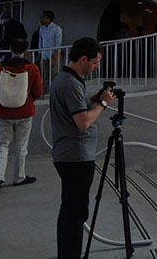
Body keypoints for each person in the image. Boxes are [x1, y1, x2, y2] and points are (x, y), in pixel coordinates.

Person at [50, 37, 116, 258]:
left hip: (68, 156)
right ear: (84, 58)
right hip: (75, 158)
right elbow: (84, 122)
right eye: (95, 63)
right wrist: (104, 103)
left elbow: (76, 108)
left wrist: (94, 99)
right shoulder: (70, 83)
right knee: (75, 215)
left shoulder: (65, 79)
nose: (96, 67)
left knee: (69, 212)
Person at [0, 38, 43, 194]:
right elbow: (38, 92)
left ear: (10, 49)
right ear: (25, 51)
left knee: (1, 144)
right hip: (24, 112)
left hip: (3, 112)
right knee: (21, 146)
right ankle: (19, 177)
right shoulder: (32, 68)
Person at [39, 10, 63, 92]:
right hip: (44, 54)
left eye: (44, 17)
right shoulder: (41, 29)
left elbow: (58, 44)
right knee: (46, 74)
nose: (42, 18)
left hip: (54, 54)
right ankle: (49, 91)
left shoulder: (57, 29)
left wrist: (54, 57)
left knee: (56, 73)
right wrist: (40, 54)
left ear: (48, 18)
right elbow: (41, 42)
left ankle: (56, 90)